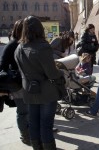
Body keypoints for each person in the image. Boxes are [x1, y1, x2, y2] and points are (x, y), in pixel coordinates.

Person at [14, 15, 65, 149]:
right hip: (46, 92)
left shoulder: (19, 48)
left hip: (29, 91)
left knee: (34, 124)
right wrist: (61, 72)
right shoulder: (43, 47)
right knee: (46, 125)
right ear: (39, 29)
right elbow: (52, 74)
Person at [0, 19, 30, 145]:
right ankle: (25, 136)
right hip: (17, 84)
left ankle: (30, 132)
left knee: (28, 110)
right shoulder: (12, 45)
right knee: (23, 111)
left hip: (26, 83)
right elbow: (2, 66)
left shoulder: (24, 44)